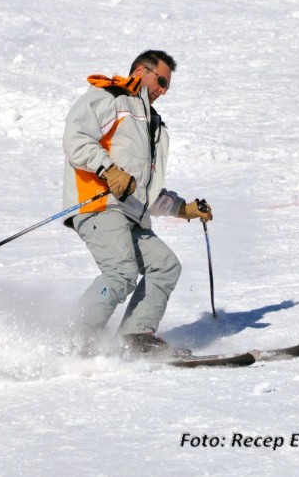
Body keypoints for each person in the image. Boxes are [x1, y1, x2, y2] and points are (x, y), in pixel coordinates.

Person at [61, 49, 212, 358]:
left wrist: (184, 209)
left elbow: (144, 189)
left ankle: (136, 338)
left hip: (131, 215)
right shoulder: (111, 97)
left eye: (167, 86)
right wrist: (109, 169)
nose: (163, 91)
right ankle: (74, 342)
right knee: (121, 273)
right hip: (100, 205)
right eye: (161, 81)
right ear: (141, 71)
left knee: (165, 266)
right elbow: (75, 137)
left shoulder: (152, 124)